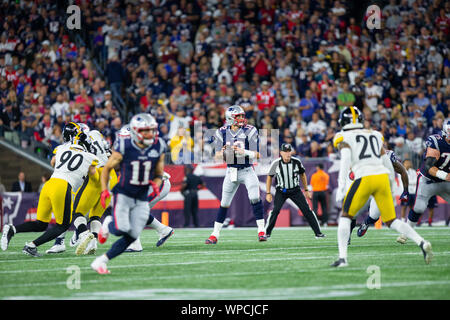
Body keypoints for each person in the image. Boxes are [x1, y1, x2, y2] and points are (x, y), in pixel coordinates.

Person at [331, 106, 432, 267]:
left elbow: (345, 160)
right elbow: (386, 162)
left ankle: (343, 259)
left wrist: (341, 185)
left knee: (345, 216)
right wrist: (391, 186)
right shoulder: (375, 135)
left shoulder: (343, 136)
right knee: (391, 220)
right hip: (382, 178)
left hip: (364, 177)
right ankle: (421, 242)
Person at [1, 131, 99, 256]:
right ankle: (31, 246)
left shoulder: (63, 147)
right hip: (63, 186)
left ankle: (12, 229)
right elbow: (95, 178)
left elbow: (53, 162)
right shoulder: (89, 157)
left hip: (49, 184)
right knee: (63, 225)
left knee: (41, 224)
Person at [90, 113, 166, 274]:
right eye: (145, 131)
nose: (150, 134)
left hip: (141, 197)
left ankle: (100, 262)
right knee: (121, 229)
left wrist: (157, 184)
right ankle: (107, 225)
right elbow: (107, 169)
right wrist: (104, 190)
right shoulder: (125, 146)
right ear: (135, 131)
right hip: (123, 194)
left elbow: (159, 173)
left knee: (132, 236)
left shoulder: (158, 145)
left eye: (151, 130)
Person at [46, 126, 118, 255]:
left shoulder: (78, 141)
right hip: (111, 175)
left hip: (95, 175)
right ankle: (92, 241)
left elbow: (57, 161)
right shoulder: (96, 133)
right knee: (95, 216)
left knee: (75, 212)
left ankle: (69, 239)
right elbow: (109, 153)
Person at [205, 105, 266, 244]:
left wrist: (242, 152)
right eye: (238, 116)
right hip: (231, 171)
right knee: (224, 203)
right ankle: (215, 234)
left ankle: (261, 231)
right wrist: (225, 152)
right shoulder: (221, 132)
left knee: (255, 198)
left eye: (242, 116)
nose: (241, 119)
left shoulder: (250, 130)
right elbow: (217, 156)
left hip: (247, 170)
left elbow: (257, 155)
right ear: (230, 118)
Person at [400, 119, 450, 243]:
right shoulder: (436, 142)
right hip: (429, 180)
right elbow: (429, 166)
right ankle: (405, 234)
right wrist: (444, 175)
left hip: (446, 181)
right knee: (419, 208)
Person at [265, 143, 325, 238]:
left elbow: (302, 174)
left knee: (307, 210)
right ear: (281, 152)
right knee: (275, 211)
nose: (288, 154)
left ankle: (318, 232)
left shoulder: (296, 162)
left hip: (295, 190)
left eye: (289, 151)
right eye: (285, 152)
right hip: (281, 191)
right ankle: (267, 233)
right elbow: (269, 177)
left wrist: (306, 189)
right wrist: (268, 192)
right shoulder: (276, 163)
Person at [355, 147, 410, 238]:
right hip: (366, 184)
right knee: (351, 211)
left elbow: (403, 171)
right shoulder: (364, 154)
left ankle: (366, 222)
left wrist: (405, 190)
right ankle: (347, 235)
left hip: (381, 188)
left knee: (374, 215)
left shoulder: (388, 156)